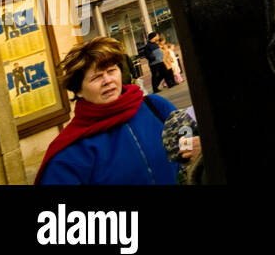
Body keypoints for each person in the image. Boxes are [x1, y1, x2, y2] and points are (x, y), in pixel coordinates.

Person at [35, 36, 200, 184]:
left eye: (111, 71)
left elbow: (187, 136)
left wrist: (198, 145)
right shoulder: (70, 151)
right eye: (96, 77)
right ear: (78, 90)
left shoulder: (154, 106)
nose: (107, 80)